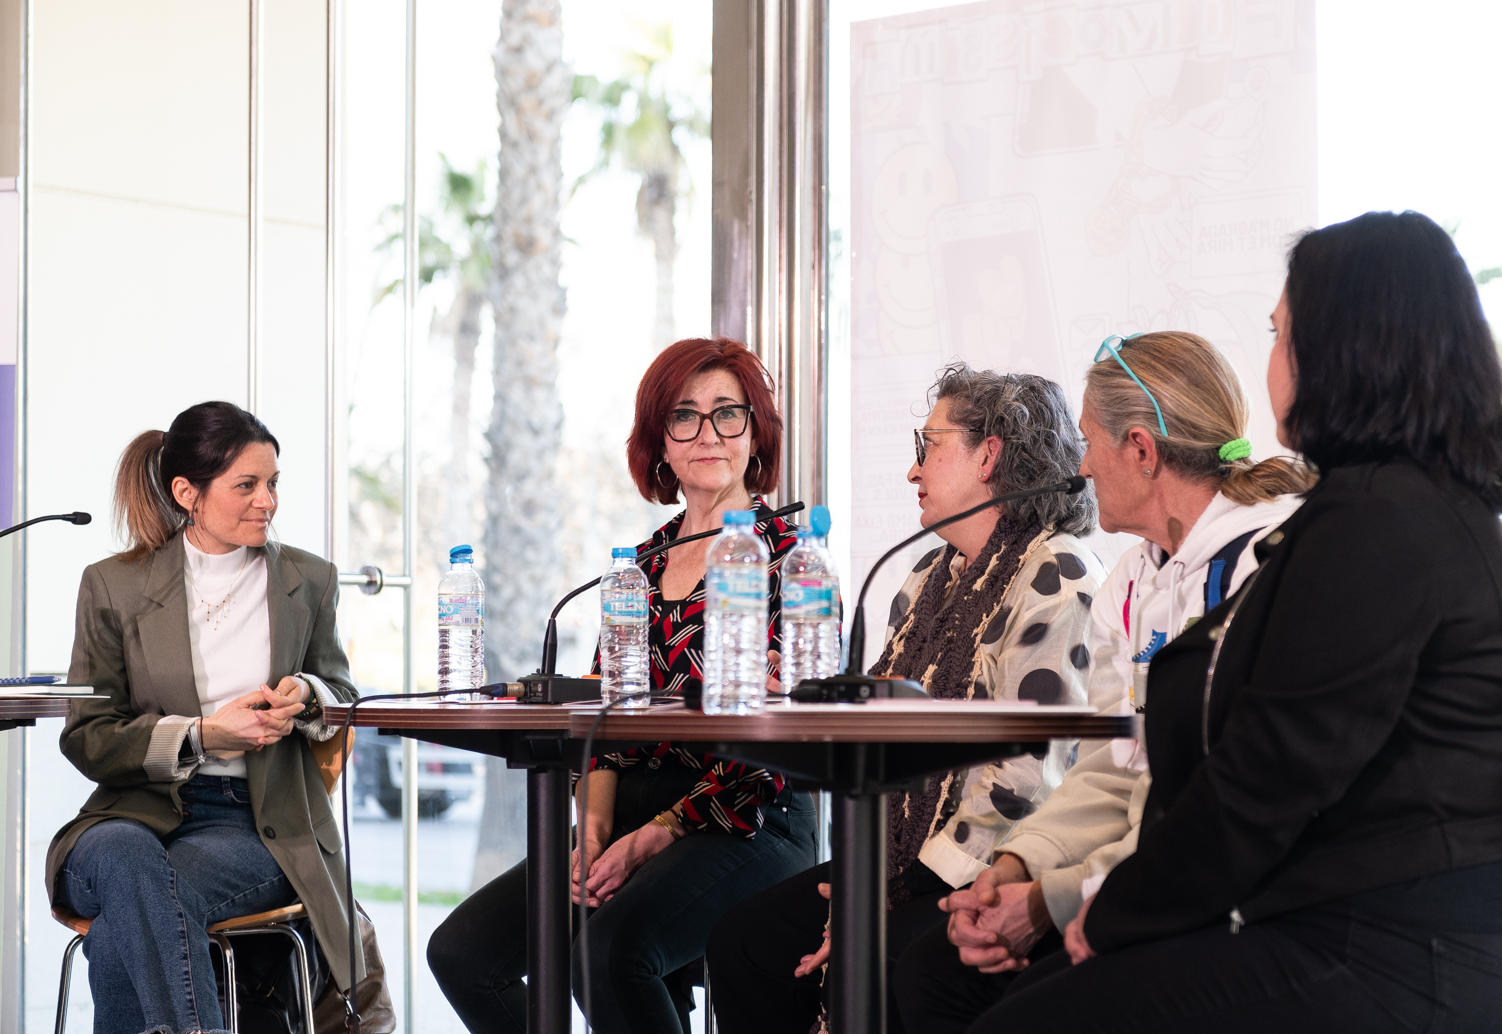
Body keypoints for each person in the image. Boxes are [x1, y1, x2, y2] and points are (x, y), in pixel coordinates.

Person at [957, 211, 1502, 1033]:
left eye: (1280, 334)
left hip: (1394, 962)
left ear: (1344, 350)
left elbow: (1262, 782)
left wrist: (1110, 914)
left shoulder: (1381, 526)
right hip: (1380, 936)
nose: (1271, 358)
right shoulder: (1401, 506)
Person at [893, 331, 1313, 1033]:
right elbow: (1113, 766)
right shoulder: (1131, 580)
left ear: (1141, 450)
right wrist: (1014, 866)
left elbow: (1208, 801)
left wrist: (1054, 900)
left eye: (1089, 442)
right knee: (933, 970)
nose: (1081, 465)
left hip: (1233, 901)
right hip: (1139, 874)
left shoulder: (1260, 564)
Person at [427, 337, 818, 1034]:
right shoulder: (638, 565)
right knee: (461, 954)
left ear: (755, 432)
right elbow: (603, 719)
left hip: (750, 814)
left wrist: (653, 837)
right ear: (659, 442)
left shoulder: (790, 557)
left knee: (606, 956)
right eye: (684, 416)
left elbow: (777, 739)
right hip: (635, 807)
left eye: (728, 413)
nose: (708, 433)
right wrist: (595, 831)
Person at [706, 364, 1106, 1034]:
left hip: (994, 862)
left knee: (881, 959)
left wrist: (901, 886)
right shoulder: (928, 576)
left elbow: (1032, 774)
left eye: (929, 446)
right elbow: (884, 723)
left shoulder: (1058, 574)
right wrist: (805, 698)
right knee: (744, 943)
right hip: (900, 854)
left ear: (989, 455)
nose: (912, 471)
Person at [46, 401, 360, 1034]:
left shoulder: (308, 580)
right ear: (187, 493)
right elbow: (87, 736)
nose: (268, 501)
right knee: (128, 865)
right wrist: (201, 734)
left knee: (132, 917)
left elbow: (343, 694)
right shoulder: (113, 586)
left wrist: (306, 693)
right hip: (128, 814)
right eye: (247, 485)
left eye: (273, 483)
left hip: (255, 822)